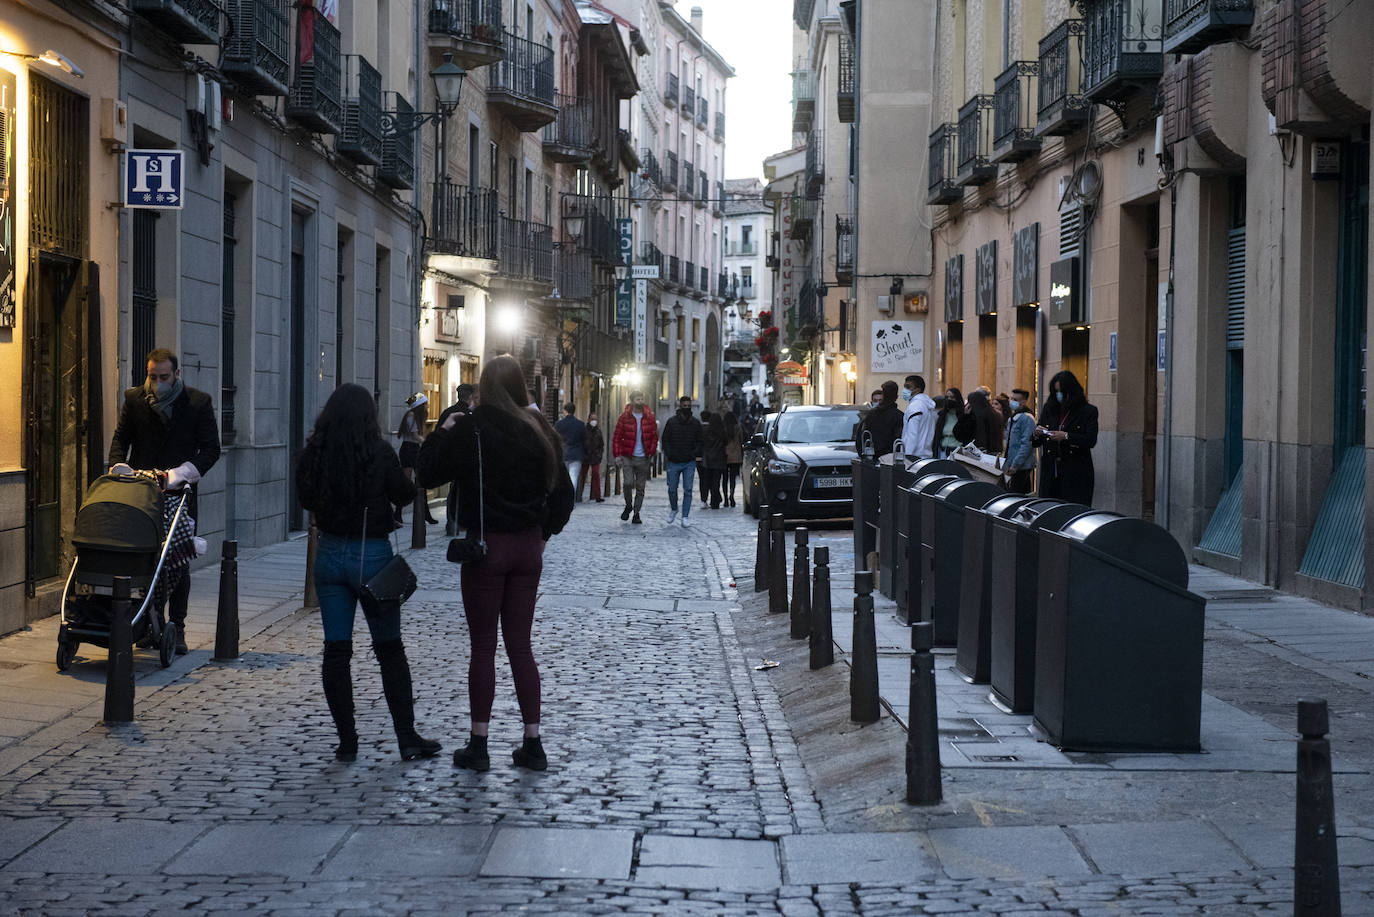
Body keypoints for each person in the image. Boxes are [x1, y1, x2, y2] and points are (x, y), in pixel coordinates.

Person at [416, 356, 574, 772]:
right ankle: (532, 742)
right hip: (527, 549)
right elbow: (564, 494)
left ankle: (479, 743)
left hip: (487, 548)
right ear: (522, 386)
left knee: (484, 646)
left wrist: (442, 429)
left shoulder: (472, 426)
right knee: (521, 645)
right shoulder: (540, 427)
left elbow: (426, 474)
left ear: (484, 386)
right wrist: (544, 532)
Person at [295, 383, 441, 763]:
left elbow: (305, 498)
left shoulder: (314, 452)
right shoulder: (379, 452)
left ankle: (347, 741)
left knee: (336, 650)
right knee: (389, 649)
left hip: (328, 554)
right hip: (371, 555)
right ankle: (407, 738)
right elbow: (405, 494)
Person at [108, 347, 221, 655]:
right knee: (144, 556)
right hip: (141, 490)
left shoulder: (197, 403)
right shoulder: (134, 399)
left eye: (163, 377)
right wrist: (119, 467)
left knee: (178, 558)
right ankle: (148, 621)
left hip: (179, 492)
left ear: (176, 375)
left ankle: (178, 626)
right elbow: (121, 438)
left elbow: (211, 449)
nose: (157, 382)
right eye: (152, 376)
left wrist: (183, 473)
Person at [1033, 370, 1098, 504]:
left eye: (1061, 391)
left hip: (1075, 471)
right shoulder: (1049, 408)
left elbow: (1090, 440)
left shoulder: (1088, 411)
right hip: (1051, 470)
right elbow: (1036, 442)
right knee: (1048, 508)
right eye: (1056, 391)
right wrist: (1037, 433)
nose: (1059, 395)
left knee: (1072, 508)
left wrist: (1067, 436)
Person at [611, 390, 658, 524]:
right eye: (637, 399)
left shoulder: (649, 417)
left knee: (640, 487)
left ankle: (636, 513)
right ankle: (628, 505)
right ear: (632, 401)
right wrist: (617, 455)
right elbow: (617, 437)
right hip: (628, 456)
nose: (640, 401)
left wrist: (652, 450)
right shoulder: (624, 417)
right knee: (627, 483)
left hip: (643, 457)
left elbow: (654, 435)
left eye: (641, 398)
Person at [659, 395, 703, 527]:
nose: (686, 408)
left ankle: (685, 516)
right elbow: (665, 439)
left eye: (688, 406)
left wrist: (694, 453)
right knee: (672, 488)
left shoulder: (695, 423)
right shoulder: (671, 422)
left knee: (688, 489)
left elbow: (700, 440)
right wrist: (669, 453)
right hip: (674, 461)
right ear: (680, 406)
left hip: (689, 461)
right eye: (684, 405)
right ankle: (674, 508)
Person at [438, 384, 475, 536]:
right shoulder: (470, 414)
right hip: (467, 460)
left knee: (452, 491)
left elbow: (440, 432)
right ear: (470, 396)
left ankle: (452, 524)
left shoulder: (448, 412)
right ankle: (462, 522)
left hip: (449, 457)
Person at [395, 393, 437, 526]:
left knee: (416, 481)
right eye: (425, 404)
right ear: (419, 405)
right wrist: (427, 442)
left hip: (410, 449)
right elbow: (414, 436)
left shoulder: (412, 415)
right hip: (410, 449)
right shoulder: (412, 416)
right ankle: (399, 513)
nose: (427, 407)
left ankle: (401, 513)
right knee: (411, 482)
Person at [856, 381, 905, 459]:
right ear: (896, 397)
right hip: (891, 460)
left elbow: (861, 438)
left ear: (883, 396)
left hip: (872, 459)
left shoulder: (870, 414)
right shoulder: (899, 416)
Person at [1003, 387, 1037, 494]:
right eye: (1012, 399)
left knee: (1018, 494)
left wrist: (1015, 464)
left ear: (1024, 401)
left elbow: (1027, 443)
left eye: (1016, 400)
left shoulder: (1027, 418)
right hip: (1012, 463)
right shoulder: (1013, 418)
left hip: (1021, 466)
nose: (1012, 402)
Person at [553, 403, 586, 501]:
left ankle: (564, 498)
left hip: (564, 453)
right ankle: (571, 499)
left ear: (565, 411)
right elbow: (584, 439)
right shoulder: (580, 424)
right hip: (576, 454)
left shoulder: (559, 424)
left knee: (563, 478)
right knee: (573, 477)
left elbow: (555, 439)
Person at [900, 374, 937, 460]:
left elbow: (912, 434)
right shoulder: (927, 405)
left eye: (908, 387)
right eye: (904, 386)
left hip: (914, 457)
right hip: (926, 455)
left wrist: (907, 457)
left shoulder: (915, 406)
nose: (904, 390)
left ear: (918, 390)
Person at [933, 386, 970, 458]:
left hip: (957, 450)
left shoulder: (962, 414)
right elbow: (937, 434)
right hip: (943, 449)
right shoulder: (942, 415)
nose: (949, 400)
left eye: (952, 397)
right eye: (947, 397)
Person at [966, 389, 1003, 454]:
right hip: (994, 451)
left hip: (980, 452)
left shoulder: (979, 416)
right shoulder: (995, 414)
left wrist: (965, 416)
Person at [703, 411, 727, 509]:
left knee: (709, 481)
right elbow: (726, 442)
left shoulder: (707, 431)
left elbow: (704, 443)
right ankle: (715, 500)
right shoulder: (722, 431)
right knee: (716, 481)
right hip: (719, 459)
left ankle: (715, 499)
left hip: (709, 459)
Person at [580, 410, 605, 503]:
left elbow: (601, 444)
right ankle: (579, 494)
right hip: (585, 456)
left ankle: (597, 496)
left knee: (595, 474)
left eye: (595, 419)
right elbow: (581, 442)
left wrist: (599, 455)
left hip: (595, 457)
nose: (594, 421)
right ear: (588, 419)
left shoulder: (598, 431)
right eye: (592, 419)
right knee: (582, 476)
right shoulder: (584, 430)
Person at [722, 412, 744, 508]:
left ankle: (726, 498)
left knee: (724, 479)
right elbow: (742, 440)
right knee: (732, 479)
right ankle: (732, 494)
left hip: (725, 456)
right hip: (736, 457)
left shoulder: (723, 428)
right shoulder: (738, 428)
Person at [696, 409, 713, 506]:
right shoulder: (712, 429)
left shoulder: (698, 429)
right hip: (710, 457)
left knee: (702, 479)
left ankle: (703, 499)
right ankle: (710, 497)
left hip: (699, 457)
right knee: (709, 478)